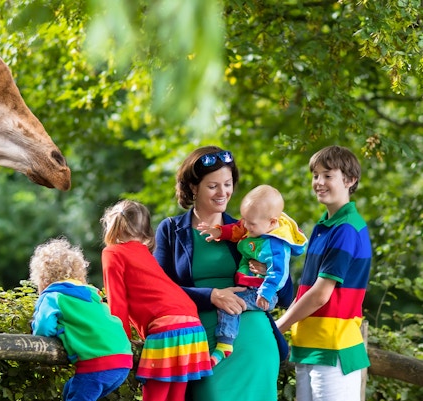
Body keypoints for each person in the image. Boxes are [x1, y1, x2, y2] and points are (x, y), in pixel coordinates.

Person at [153, 145, 292, 401]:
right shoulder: (171, 230)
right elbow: (159, 290)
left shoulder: (250, 229)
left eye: (227, 184)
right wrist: (211, 295)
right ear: (193, 187)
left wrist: (268, 270)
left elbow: (285, 296)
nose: (223, 192)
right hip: (202, 341)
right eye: (213, 185)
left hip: (253, 339)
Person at [276, 145, 372, 401]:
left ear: (350, 180)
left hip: (334, 351)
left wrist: (279, 327)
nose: (319, 182)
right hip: (310, 347)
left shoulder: (347, 229)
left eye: (328, 175)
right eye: (316, 175)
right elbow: (307, 291)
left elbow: (320, 295)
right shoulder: (324, 226)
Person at [100, 199, 213, 401]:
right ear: (146, 231)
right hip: (193, 326)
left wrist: (122, 342)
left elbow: (117, 302)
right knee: (175, 397)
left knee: (155, 396)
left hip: (167, 327)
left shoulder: (112, 253)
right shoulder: (145, 253)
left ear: (112, 226)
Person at [198, 184, 307, 366]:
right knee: (230, 302)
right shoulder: (256, 225)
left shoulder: (276, 245)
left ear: (272, 223)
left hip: (262, 293)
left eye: (251, 223)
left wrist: (266, 292)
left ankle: (225, 343)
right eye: (245, 220)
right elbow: (236, 229)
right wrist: (218, 231)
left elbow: (279, 273)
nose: (246, 225)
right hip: (250, 286)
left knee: (230, 304)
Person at [29, 237, 133, 401]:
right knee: (71, 389)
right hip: (123, 360)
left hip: (97, 365)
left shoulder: (53, 296)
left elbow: (43, 327)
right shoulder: (91, 294)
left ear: (42, 279)